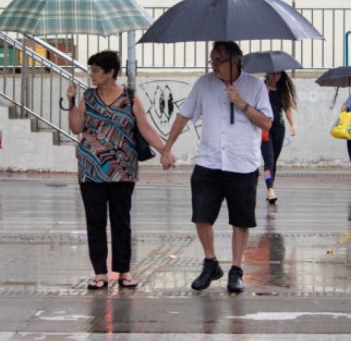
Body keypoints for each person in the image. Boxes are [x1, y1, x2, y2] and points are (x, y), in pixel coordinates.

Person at [161, 42, 272, 293]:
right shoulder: (204, 84)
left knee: (241, 220)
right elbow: (184, 115)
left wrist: (241, 102)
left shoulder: (255, 86)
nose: (214, 65)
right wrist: (167, 148)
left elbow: (266, 123)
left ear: (235, 61)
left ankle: (236, 269)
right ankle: (210, 262)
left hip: (241, 162)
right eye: (212, 61)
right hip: (209, 161)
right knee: (201, 215)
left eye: (218, 61)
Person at [66, 51, 167, 290]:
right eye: (90, 70)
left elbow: (145, 128)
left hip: (123, 170)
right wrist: (71, 102)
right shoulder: (88, 97)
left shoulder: (130, 97)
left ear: (110, 72)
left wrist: (165, 149)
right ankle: (99, 273)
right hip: (91, 169)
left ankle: (123, 271)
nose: (91, 75)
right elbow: (76, 127)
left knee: (121, 221)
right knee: (95, 221)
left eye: (96, 70)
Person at [260, 70, 297, 204]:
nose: (276, 76)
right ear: (268, 74)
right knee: (268, 160)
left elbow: (287, 108)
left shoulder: (282, 90)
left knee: (273, 161)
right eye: (273, 73)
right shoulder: (261, 87)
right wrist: (265, 92)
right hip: (265, 128)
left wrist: (292, 125)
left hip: (279, 128)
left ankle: (270, 187)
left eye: (279, 74)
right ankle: (270, 189)